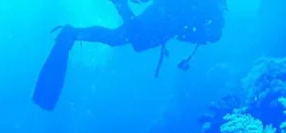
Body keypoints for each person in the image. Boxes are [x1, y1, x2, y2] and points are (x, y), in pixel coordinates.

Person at [33, 0, 227, 111]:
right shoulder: (212, 7)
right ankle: (118, 6)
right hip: (166, 17)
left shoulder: (213, 8)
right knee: (130, 38)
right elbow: (212, 33)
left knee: (118, 38)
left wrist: (190, 32)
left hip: (166, 21)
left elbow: (213, 33)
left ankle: (73, 33)